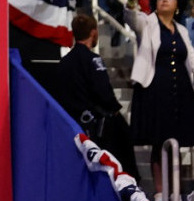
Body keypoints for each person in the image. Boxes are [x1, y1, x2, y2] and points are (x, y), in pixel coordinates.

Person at [126, 0, 194, 201]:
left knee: (178, 139)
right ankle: (160, 192)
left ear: (177, 4)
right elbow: (130, 17)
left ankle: (175, 192)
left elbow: (192, 60)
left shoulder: (182, 30)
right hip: (155, 89)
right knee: (159, 139)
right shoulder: (147, 23)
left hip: (181, 90)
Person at [54, 13, 139, 177]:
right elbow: (103, 92)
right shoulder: (93, 60)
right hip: (98, 127)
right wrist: (114, 109)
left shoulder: (63, 63)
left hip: (73, 127)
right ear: (93, 33)